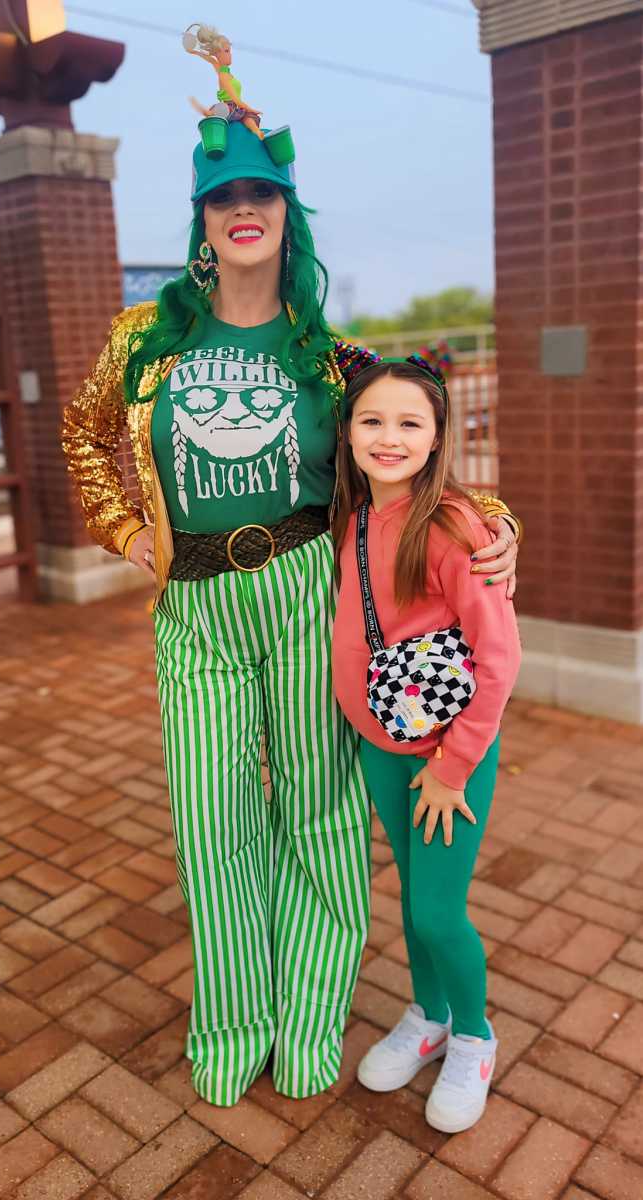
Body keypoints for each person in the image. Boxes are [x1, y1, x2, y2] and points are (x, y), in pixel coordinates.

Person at [62, 112, 520, 1108]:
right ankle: (233, 1020)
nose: (240, 211)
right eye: (221, 197)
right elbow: (86, 439)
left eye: (258, 194)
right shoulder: (144, 337)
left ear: (285, 212)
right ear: (201, 218)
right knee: (210, 819)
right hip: (197, 601)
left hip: (310, 593)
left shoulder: (330, 354)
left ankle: (313, 1017)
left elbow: (412, 444)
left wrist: (494, 522)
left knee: (318, 813)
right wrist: (129, 532)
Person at [331, 358, 521, 1133]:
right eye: (371, 419)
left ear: (438, 435)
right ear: (345, 431)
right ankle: (430, 1014)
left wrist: (451, 768)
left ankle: (474, 1037)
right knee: (412, 900)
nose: (388, 437)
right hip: (380, 744)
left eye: (410, 422)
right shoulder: (348, 517)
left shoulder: (451, 525)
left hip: (447, 759)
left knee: (440, 914)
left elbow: (497, 658)